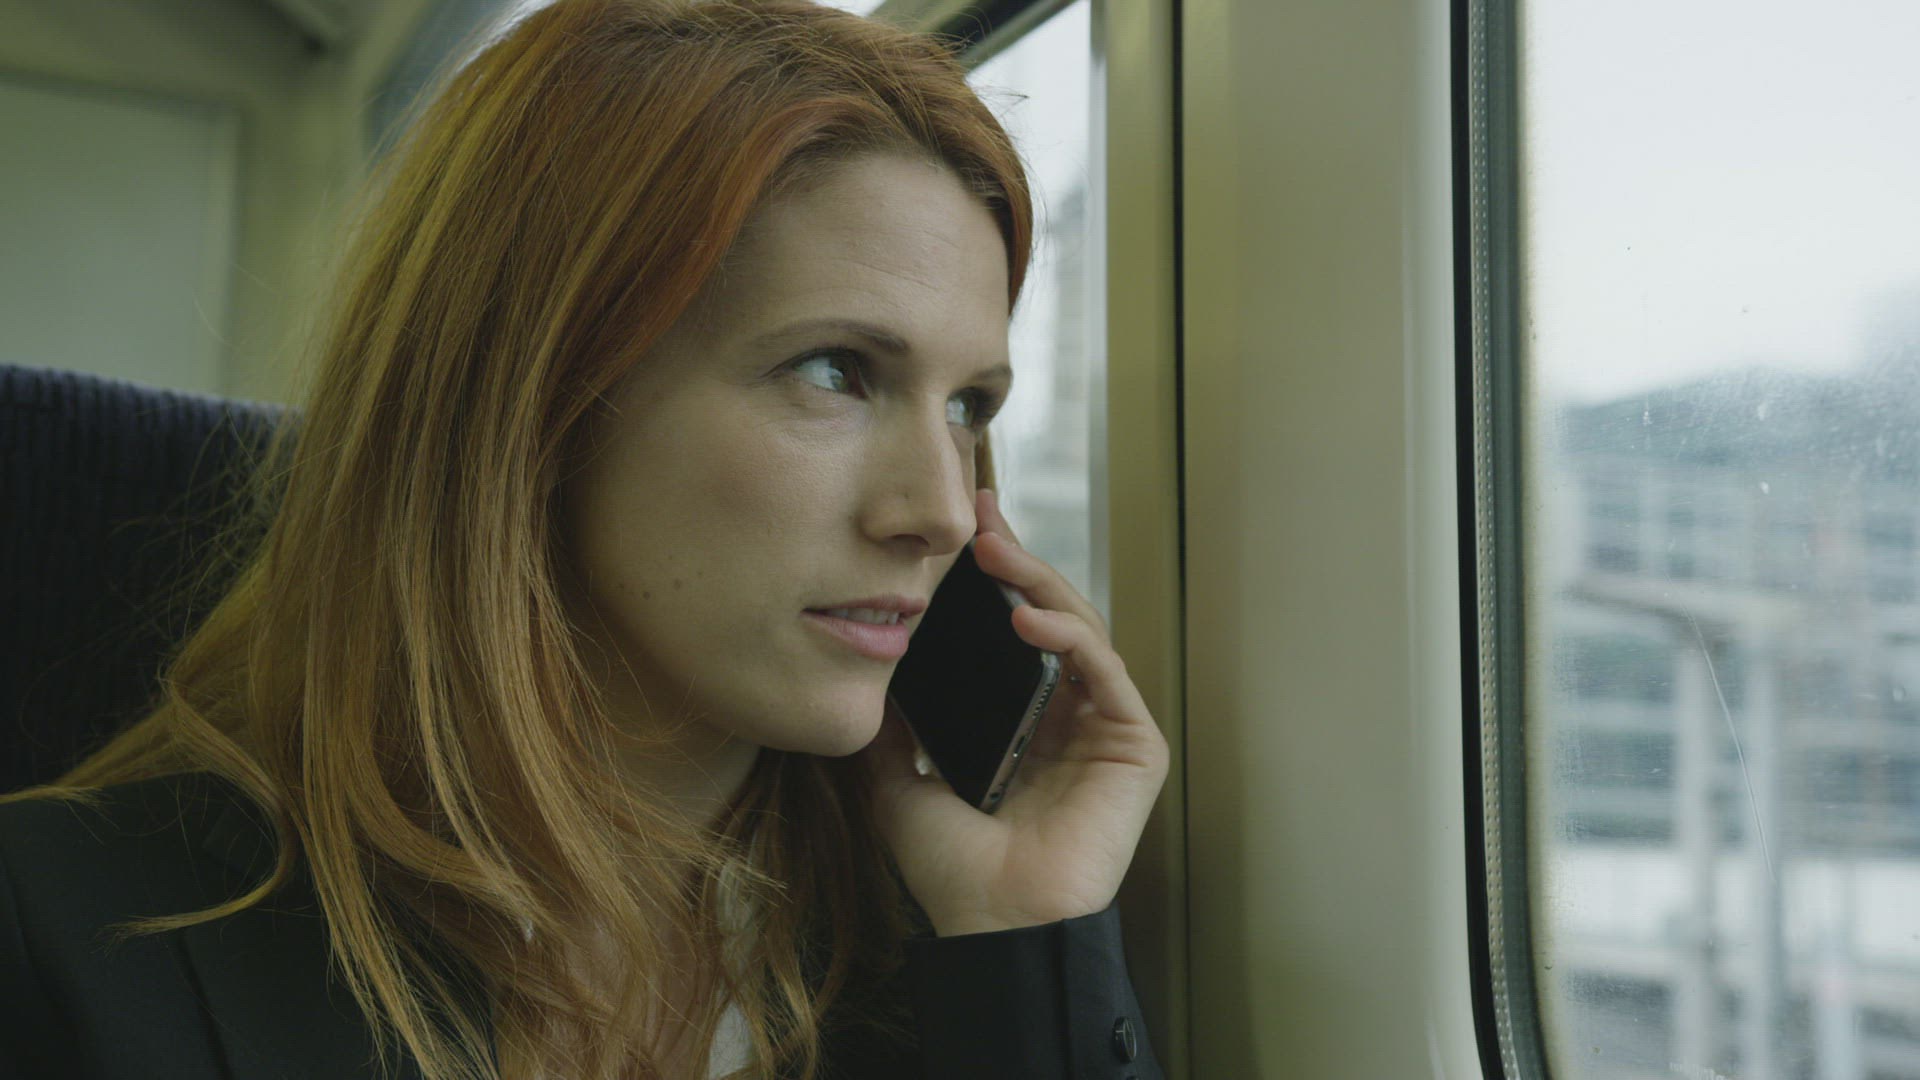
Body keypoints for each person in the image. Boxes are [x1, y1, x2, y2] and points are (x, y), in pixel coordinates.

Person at [0, 1, 1169, 1077]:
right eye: (836, 372)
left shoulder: (943, 949)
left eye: (969, 406)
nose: (946, 511)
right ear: (533, 398)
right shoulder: (64, 934)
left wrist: (1025, 950)